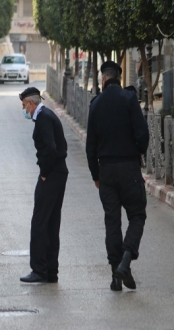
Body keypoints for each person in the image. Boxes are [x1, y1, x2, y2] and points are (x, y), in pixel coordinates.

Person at [86, 61, 149, 291]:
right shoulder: (129, 99)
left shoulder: (96, 104)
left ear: (103, 79)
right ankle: (126, 259)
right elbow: (142, 132)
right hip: (129, 168)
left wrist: (95, 174)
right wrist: (140, 150)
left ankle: (116, 275)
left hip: (106, 171)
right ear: (118, 78)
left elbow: (90, 145)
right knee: (137, 215)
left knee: (112, 221)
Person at [19, 87, 69, 283]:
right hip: (59, 172)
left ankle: (39, 269)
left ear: (31, 103)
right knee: (51, 222)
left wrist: (44, 174)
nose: (24, 110)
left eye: (24, 105)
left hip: (53, 173)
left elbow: (50, 148)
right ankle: (51, 271)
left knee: (39, 222)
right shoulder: (47, 115)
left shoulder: (43, 118)